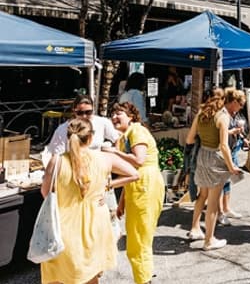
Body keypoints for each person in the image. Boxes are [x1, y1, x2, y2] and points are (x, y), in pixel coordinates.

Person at [40, 118, 139, 284]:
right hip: (96, 223)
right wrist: (108, 185)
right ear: (91, 138)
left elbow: (45, 193)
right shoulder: (105, 158)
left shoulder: (56, 161)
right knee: (91, 275)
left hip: (63, 225)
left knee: (58, 276)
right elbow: (134, 174)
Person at [104, 102, 164, 284]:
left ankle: (143, 280)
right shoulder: (125, 136)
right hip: (138, 187)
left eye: (119, 113)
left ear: (131, 116)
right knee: (141, 237)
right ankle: (145, 275)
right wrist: (122, 202)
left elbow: (139, 160)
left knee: (137, 241)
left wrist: (114, 151)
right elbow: (129, 172)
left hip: (145, 185)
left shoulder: (136, 131)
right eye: (113, 113)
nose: (114, 116)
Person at [186, 88, 242, 250]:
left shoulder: (202, 114)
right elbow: (224, 146)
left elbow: (190, 139)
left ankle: (195, 228)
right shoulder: (222, 116)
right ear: (223, 99)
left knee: (202, 195)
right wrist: (232, 167)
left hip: (202, 155)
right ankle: (209, 240)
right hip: (216, 159)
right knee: (213, 202)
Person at [45, 95, 120, 164]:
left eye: (88, 112)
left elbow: (117, 139)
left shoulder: (102, 122)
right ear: (74, 111)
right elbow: (57, 155)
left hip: (97, 164)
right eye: (80, 113)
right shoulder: (62, 129)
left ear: (93, 109)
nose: (84, 116)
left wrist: (116, 153)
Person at [219, 88, 248, 225]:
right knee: (220, 182)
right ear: (234, 101)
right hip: (224, 151)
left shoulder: (234, 114)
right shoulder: (223, 113)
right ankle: (219, 212)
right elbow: (220, 134)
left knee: (228, 181)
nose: (241, 108)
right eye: (241, 104)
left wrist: (242, 136)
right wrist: (232, 132)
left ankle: (226, 208)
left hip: (233, 148)